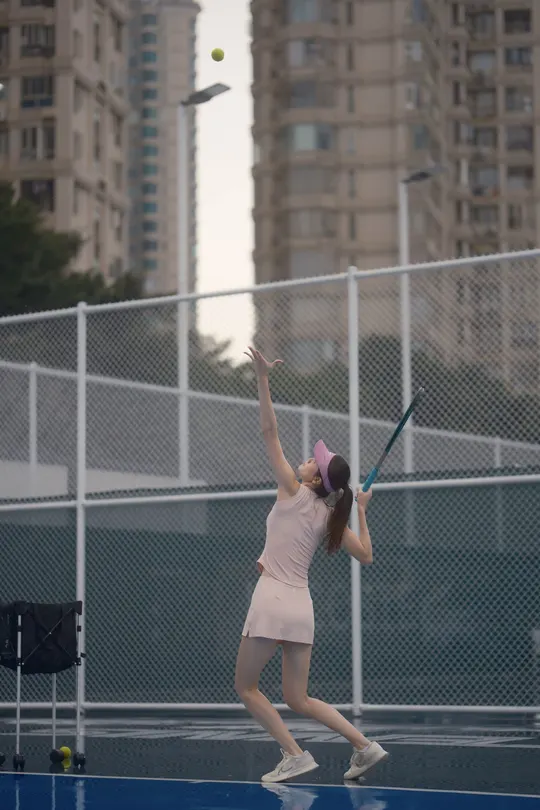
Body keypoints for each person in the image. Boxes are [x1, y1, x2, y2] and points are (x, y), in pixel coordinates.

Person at [235, 347, 388, 784]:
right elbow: (367, 555)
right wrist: (362, 511)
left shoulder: (292, 488)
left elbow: (269, 430)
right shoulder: (329, 514)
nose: (304, 459)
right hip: (301, 607)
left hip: (271, 600)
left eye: (311, 461)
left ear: (315, 478)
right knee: (298, 698)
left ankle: (294, 754)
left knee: (246, 687)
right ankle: (365, 746)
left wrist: (263, 378)